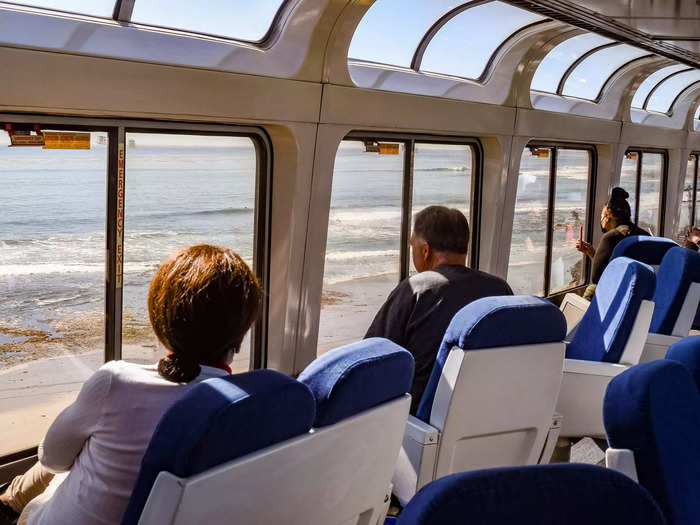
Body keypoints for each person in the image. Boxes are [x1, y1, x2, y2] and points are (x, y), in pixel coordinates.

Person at [0, 244, 262, 525]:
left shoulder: (117, 382)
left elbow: (52, 460)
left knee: (77, 444)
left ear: (161, 318)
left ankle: (8, 504)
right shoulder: (245, 409)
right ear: (243, 325)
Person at [365, 206, 512, 414]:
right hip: (486, 412)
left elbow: (371, 355)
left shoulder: (416, 289)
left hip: (420, 419)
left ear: (425, 251)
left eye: (412, 245)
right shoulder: (499, 290)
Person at [576, 187, 649, 299]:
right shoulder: (644, 235)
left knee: (591, 290)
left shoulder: (611, 237)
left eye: (602, 215)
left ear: (608, 217)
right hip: (640, 295)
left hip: (615, 296)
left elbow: (598, 277)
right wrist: (592, 254)